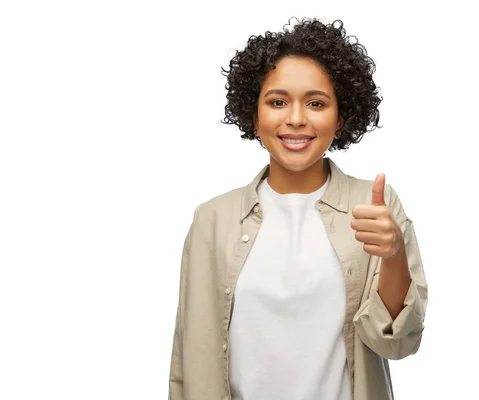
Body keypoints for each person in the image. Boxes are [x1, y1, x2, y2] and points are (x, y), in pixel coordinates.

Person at [168, 17, 428, 400]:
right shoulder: (212, 219)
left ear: (340, 119)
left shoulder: (376, 207)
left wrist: (393, 255)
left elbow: (397, 343)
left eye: (316, 103)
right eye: (277, 102)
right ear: (254, 116)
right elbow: (186, 358)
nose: (295, 118)